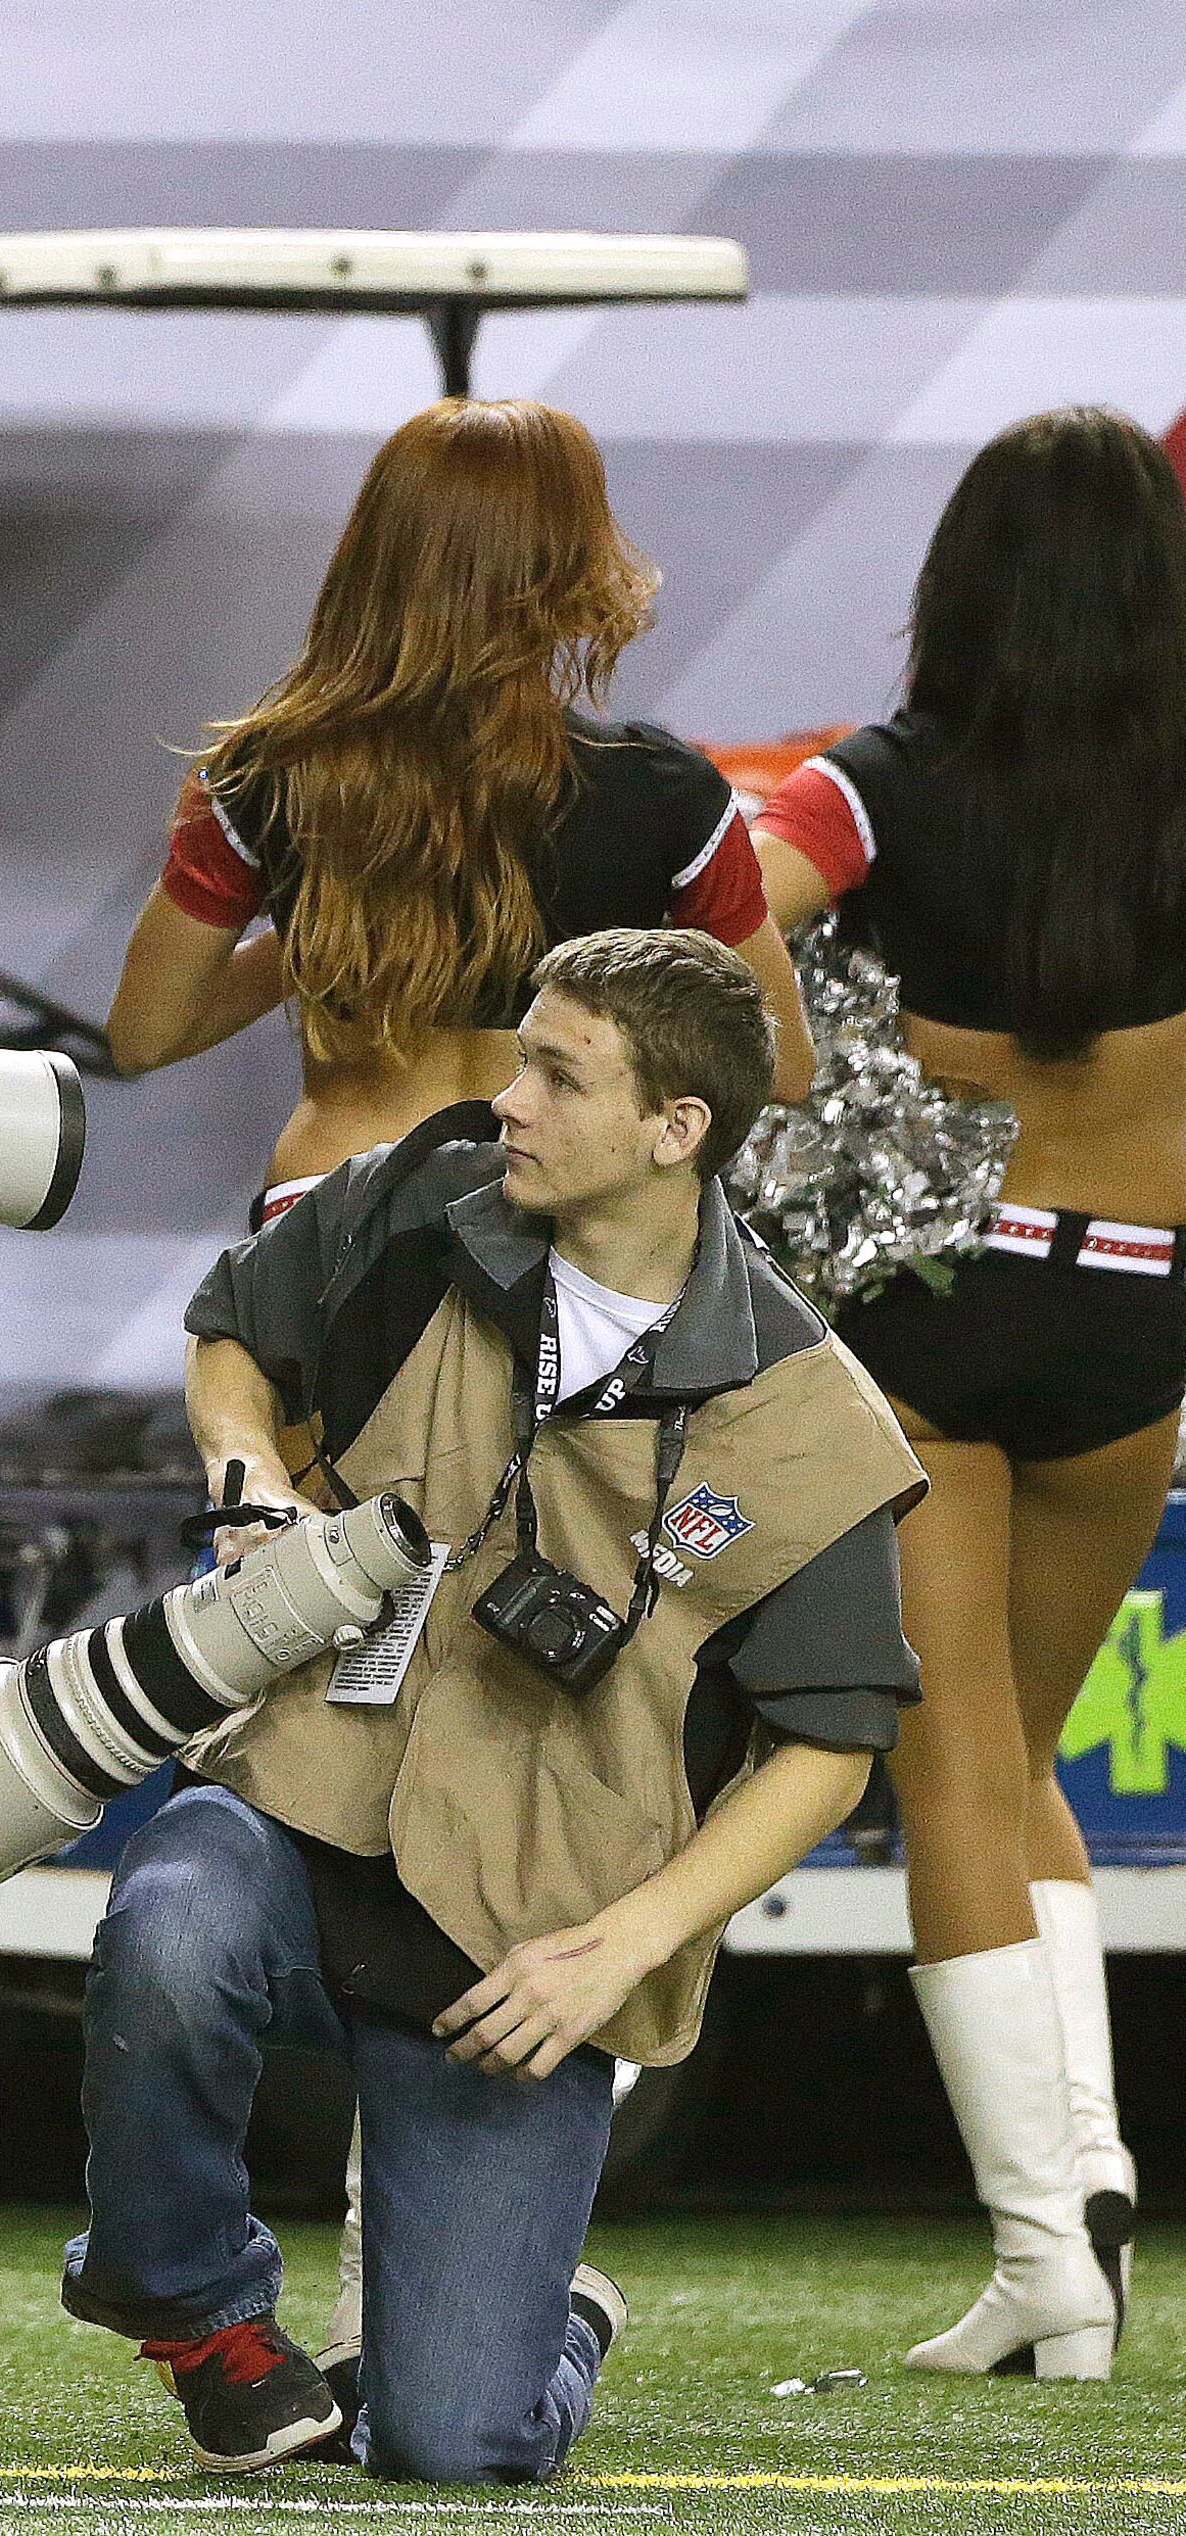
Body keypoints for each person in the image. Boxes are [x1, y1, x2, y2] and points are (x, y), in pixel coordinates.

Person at [94, 930, 919, 2482]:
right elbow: (231, 1336)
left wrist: (618, 1949)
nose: (509, 1095)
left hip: (523, 1939)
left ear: (677, 1130)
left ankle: (556, 2324)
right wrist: (251, 1480)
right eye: (519, 1053)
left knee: (457, 2444)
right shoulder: (427, 1193)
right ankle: (196, 2311)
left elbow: (829, 1753)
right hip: (300, 1800)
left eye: (557, 1072)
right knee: (171, 1925)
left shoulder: (811, 1419)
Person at [747, 404, 1185, 2379]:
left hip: (932, 1303)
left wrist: (790, 1064)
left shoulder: (885, 780)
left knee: (954, 1768)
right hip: (1139, 1320)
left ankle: (1041, 2259)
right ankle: (1083, 2206)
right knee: (1018, 1760)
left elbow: (735, 888)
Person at [105, 398, 812, 1228]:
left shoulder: (263, 774)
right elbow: (782, 1067)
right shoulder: (667, 792)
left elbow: (143, 1036)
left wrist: (327, 935)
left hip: (328, 1215)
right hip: (551, 1226)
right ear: (569, 559)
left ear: (372, 553)